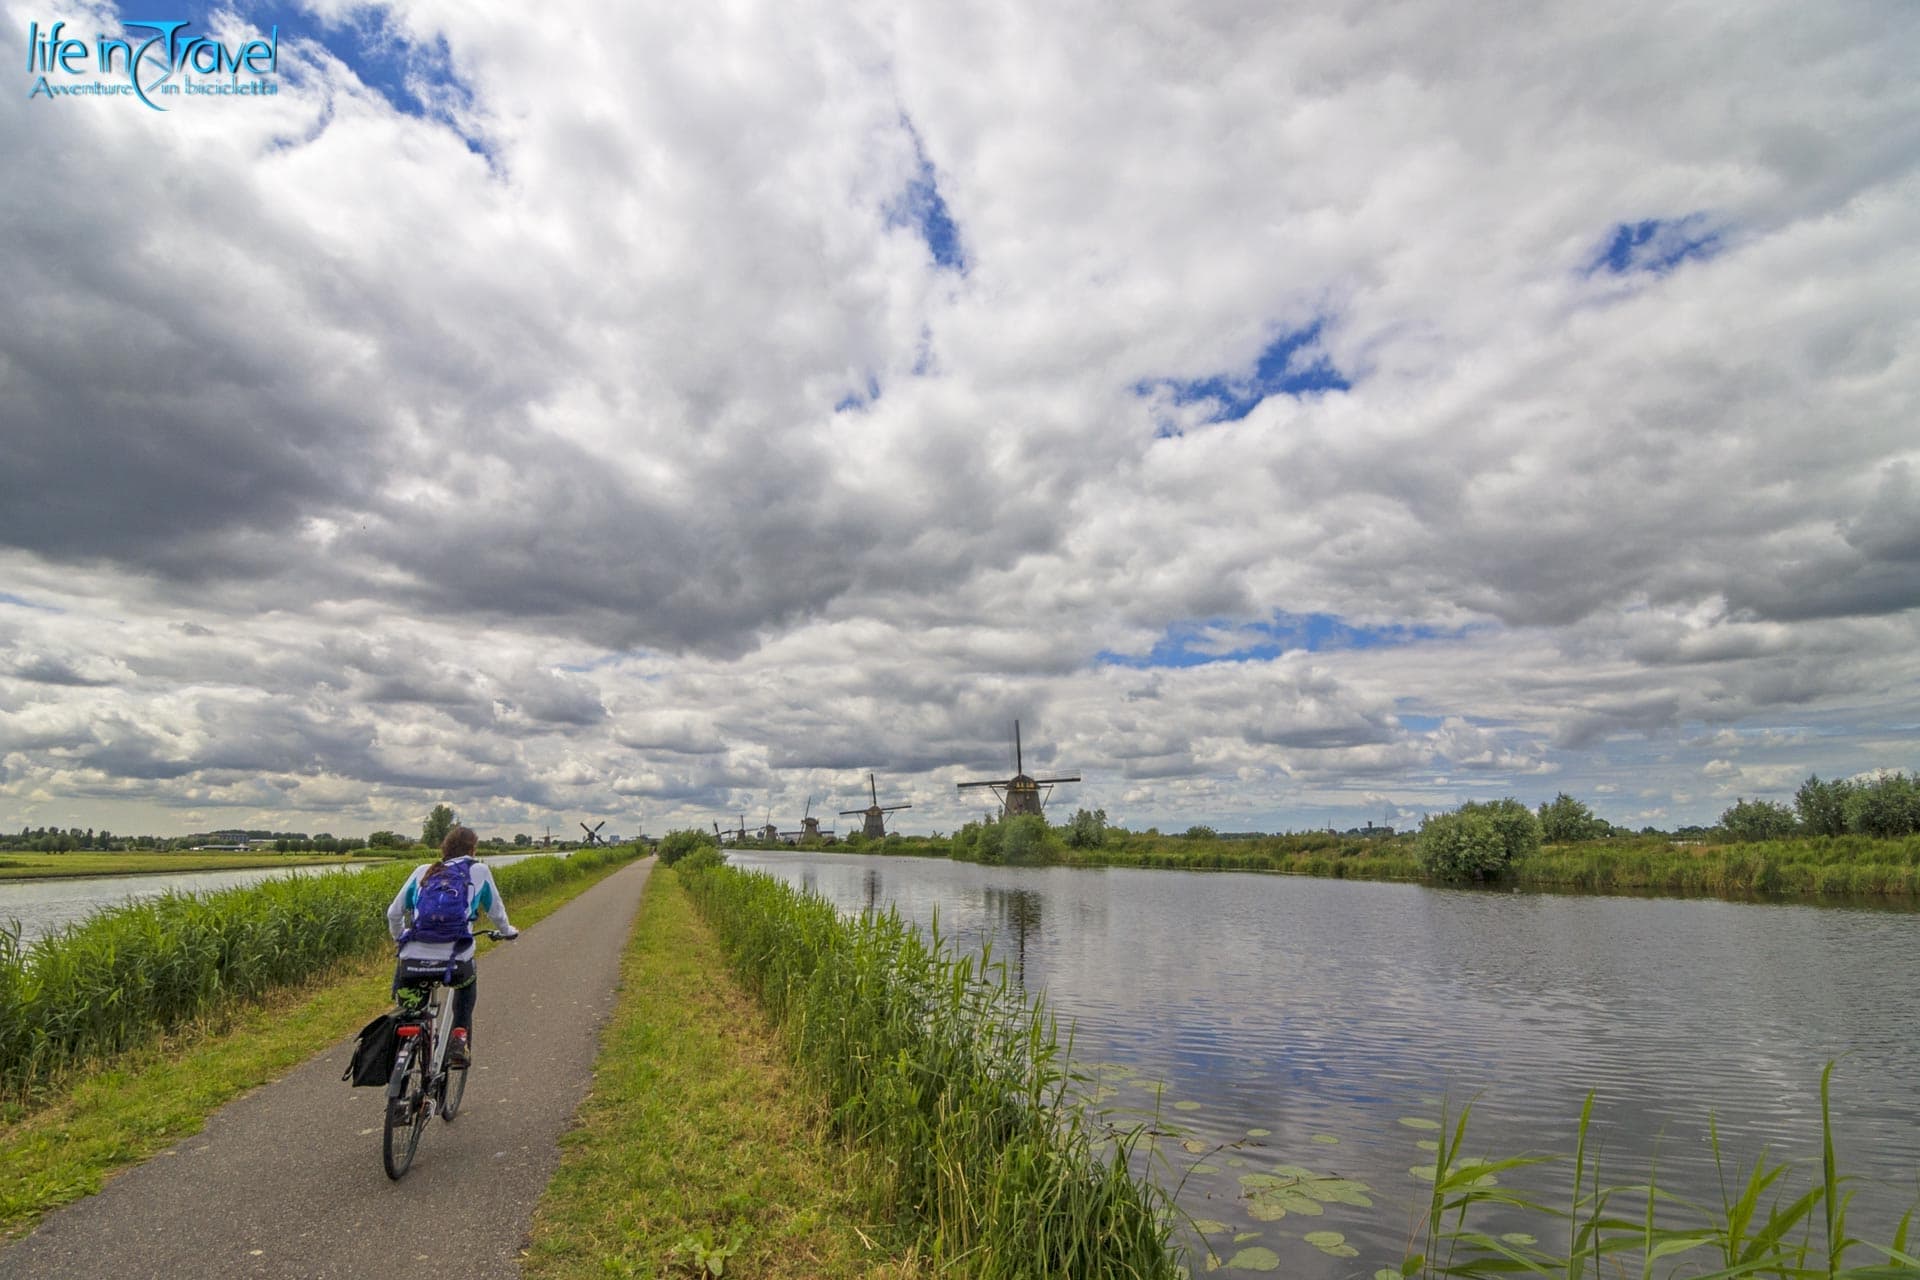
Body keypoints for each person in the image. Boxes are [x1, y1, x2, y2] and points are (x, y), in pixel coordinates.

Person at [386, 825, 516, 1068]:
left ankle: (403, 1050)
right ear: (473, 849)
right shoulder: (479, 871)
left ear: (443, 848)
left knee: (410, 1010)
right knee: (467, 984)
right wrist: (508, 931)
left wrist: (400, 938)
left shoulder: (423, 871)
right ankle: (459, 1036)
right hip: (456, 961)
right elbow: (496, 912)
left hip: (413, 961)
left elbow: (393, 913)